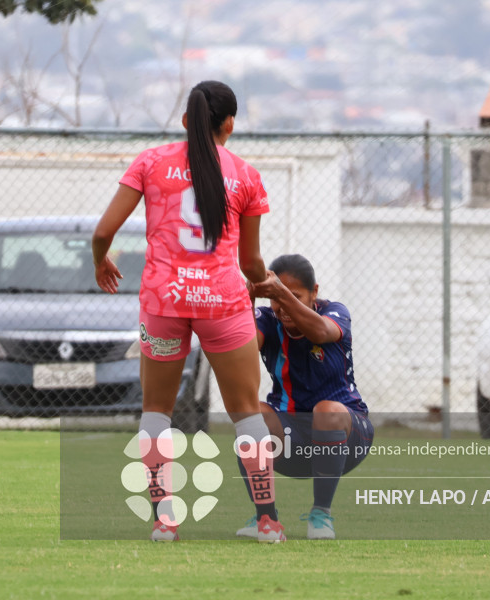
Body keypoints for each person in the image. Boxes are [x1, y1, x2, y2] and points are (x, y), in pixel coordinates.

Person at [92, 80, 285, 543]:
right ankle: (267, 520)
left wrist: (101, 260)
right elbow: (249, 263)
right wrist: (264, 282)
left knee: (156, 411)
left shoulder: (151, 162)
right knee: (245, 412)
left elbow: (103, 232)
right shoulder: (245, 175)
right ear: (230, 125)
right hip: (223, 303)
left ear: (185, 121)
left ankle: (164, 520)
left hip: (164, 302)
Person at [237, 254, 373, 540]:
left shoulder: (334, 312)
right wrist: (247, 298)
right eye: (275, 299)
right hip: (292, 438)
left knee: (327, 411)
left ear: (315, 292)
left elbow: (322, 332)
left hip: (347, 435)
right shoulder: (266, 319)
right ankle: (265, 518)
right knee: (251, 417)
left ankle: (321, 515)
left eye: (295, 296)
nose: (282, 307)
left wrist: (280, 294)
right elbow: (242, 351)